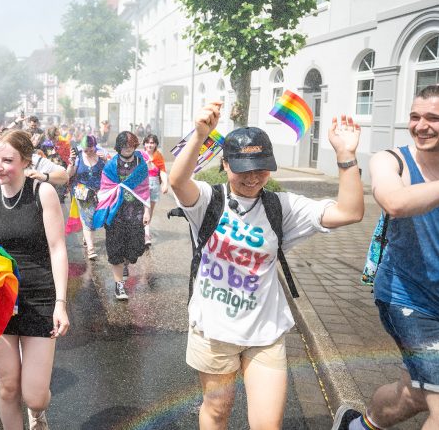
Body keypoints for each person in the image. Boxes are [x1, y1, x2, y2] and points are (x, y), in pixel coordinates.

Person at [169, 101, 364, 430]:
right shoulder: (208, 200)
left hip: (265, 333)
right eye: (242, 167)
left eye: (261, 166)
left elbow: (350, 212)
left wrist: (345, 155)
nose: (253, 176)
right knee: (217, 412)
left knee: (267, 425)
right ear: (226, 164)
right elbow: (177, 181)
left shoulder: (281, 206)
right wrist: (201, 134)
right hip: (213, 331)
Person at [333, 85, 439, 430]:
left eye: (433, 118)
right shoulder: (391, 160)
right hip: (408, 299)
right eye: (415, 117)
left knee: (416, 394)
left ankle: (358, 426)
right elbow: (394, 201)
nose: (421, 125)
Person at [0, 129, 70, 430]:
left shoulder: (43, 193)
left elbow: (57, 248)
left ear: (26, 161)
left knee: (35, 396)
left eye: (7, 160)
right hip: (0, 302)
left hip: (39, 299)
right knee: (8, 387)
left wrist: (61, 304)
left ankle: (38, 413)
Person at [93, 131, 151, 300]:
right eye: (124, 145)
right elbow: (105, 189)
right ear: (119, 146)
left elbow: (145, 190)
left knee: (136, 248)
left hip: (135, 212)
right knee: (115, 248)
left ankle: (125, 262)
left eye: (131, 144)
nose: (127, 148)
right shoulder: (111, 165)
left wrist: (147, 211)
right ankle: (119, 286)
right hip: (115, 214)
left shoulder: (141, 164)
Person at [65, 135, 105, 260]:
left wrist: (107, 161)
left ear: (95, 146)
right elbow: (68, 175)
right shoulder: (78, 157)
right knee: (88, 218)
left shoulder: (102, 155)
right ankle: (91, 249)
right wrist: (71, 163)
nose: (87, 152)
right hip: (82, 193)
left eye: (90, 150)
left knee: (95, 218)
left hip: (99, 193)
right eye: (85, 150)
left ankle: (87, 237)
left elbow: (110, 173)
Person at [142, 134, 169, 248]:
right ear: (144, 144)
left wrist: (165, 184)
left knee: (150, 209)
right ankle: (146, 234)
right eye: (148, 142)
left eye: (152, 143)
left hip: (155, 184)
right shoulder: (141, 155)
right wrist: (145, 166)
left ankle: (145, 229)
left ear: (156, 144)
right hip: (143, 184)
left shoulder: (158, 156)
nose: (150, 145)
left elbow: (162, 171)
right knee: (145, 208)